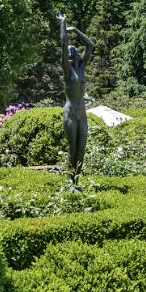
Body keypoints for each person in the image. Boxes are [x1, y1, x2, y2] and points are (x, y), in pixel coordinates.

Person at [56, 12, 95, 181]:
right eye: (72, 51)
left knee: (82, 149)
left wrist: (76, 30)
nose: (74, 50)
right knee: (73, 149)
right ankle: (71, 181)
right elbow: (64, 44)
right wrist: (63, 24)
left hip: (82, 114)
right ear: (70, 56)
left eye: (74, 49)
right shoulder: (68, 71)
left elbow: (90, 45)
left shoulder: (82, 68)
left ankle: (76, 180)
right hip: (70, 113)